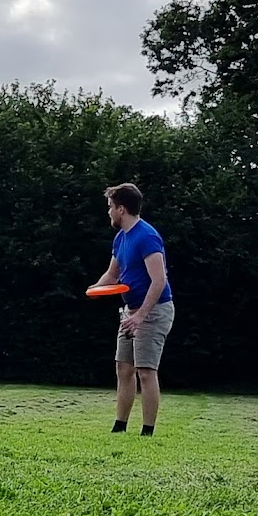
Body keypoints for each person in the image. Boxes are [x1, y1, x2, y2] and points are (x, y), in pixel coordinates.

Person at [91, 182, 172, 435]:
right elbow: (113, 274)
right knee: (123, 368)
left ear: (121, 209)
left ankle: (147, 432)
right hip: (131, 311)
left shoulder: (147, 236)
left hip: (153, 310)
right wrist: (93, 289)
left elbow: (159, 281)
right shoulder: (121, 238)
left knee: (145, 371)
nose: (109, 212)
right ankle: (119, 427)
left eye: (110, 207)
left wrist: (140, 316)